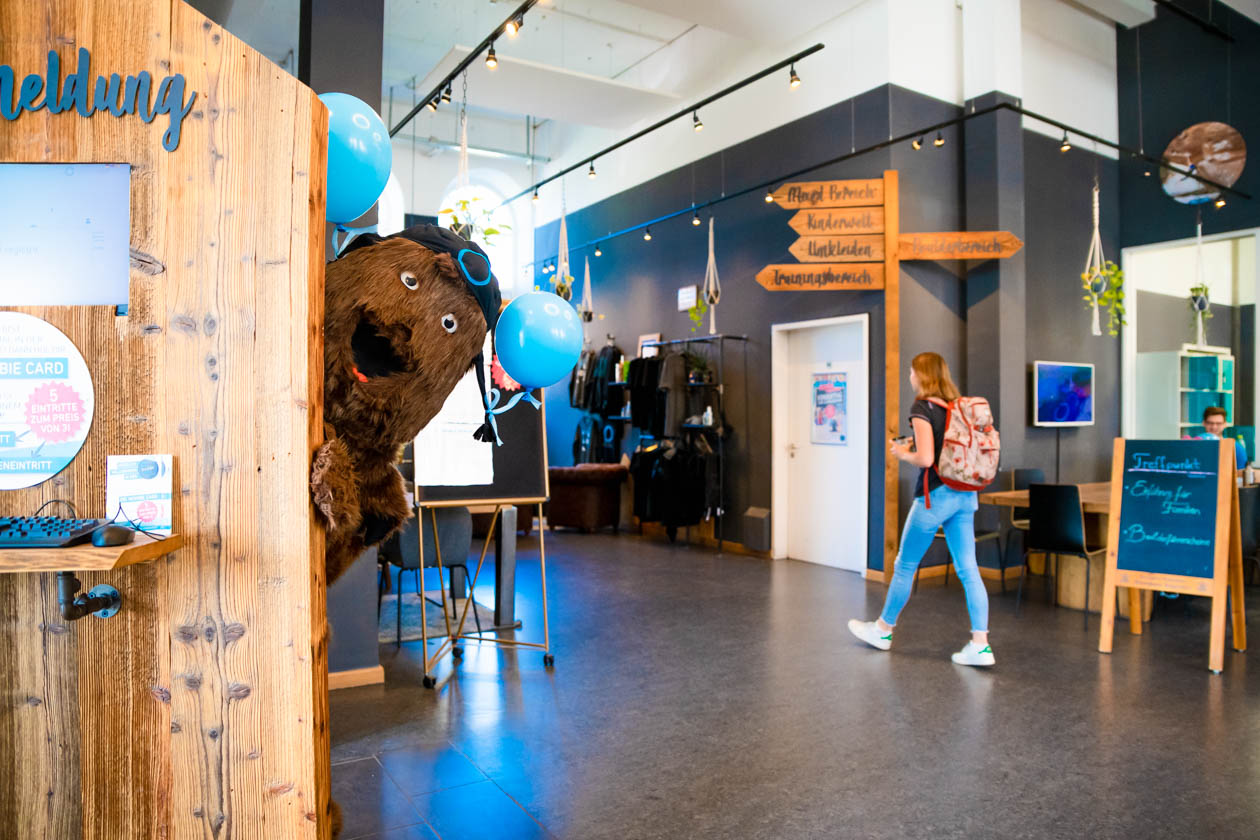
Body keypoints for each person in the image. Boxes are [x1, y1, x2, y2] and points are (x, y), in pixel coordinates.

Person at [847, 352, 994, 667]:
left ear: (921, 375)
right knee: (969, 569)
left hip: (935, 497)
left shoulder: (922, 407)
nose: (910, 377)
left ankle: (883, 630)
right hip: (966, 496)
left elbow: (927, 459)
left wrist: (902, 453)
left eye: (912, 372)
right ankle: (980, 644)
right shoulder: (957, 408)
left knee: (905, 565)